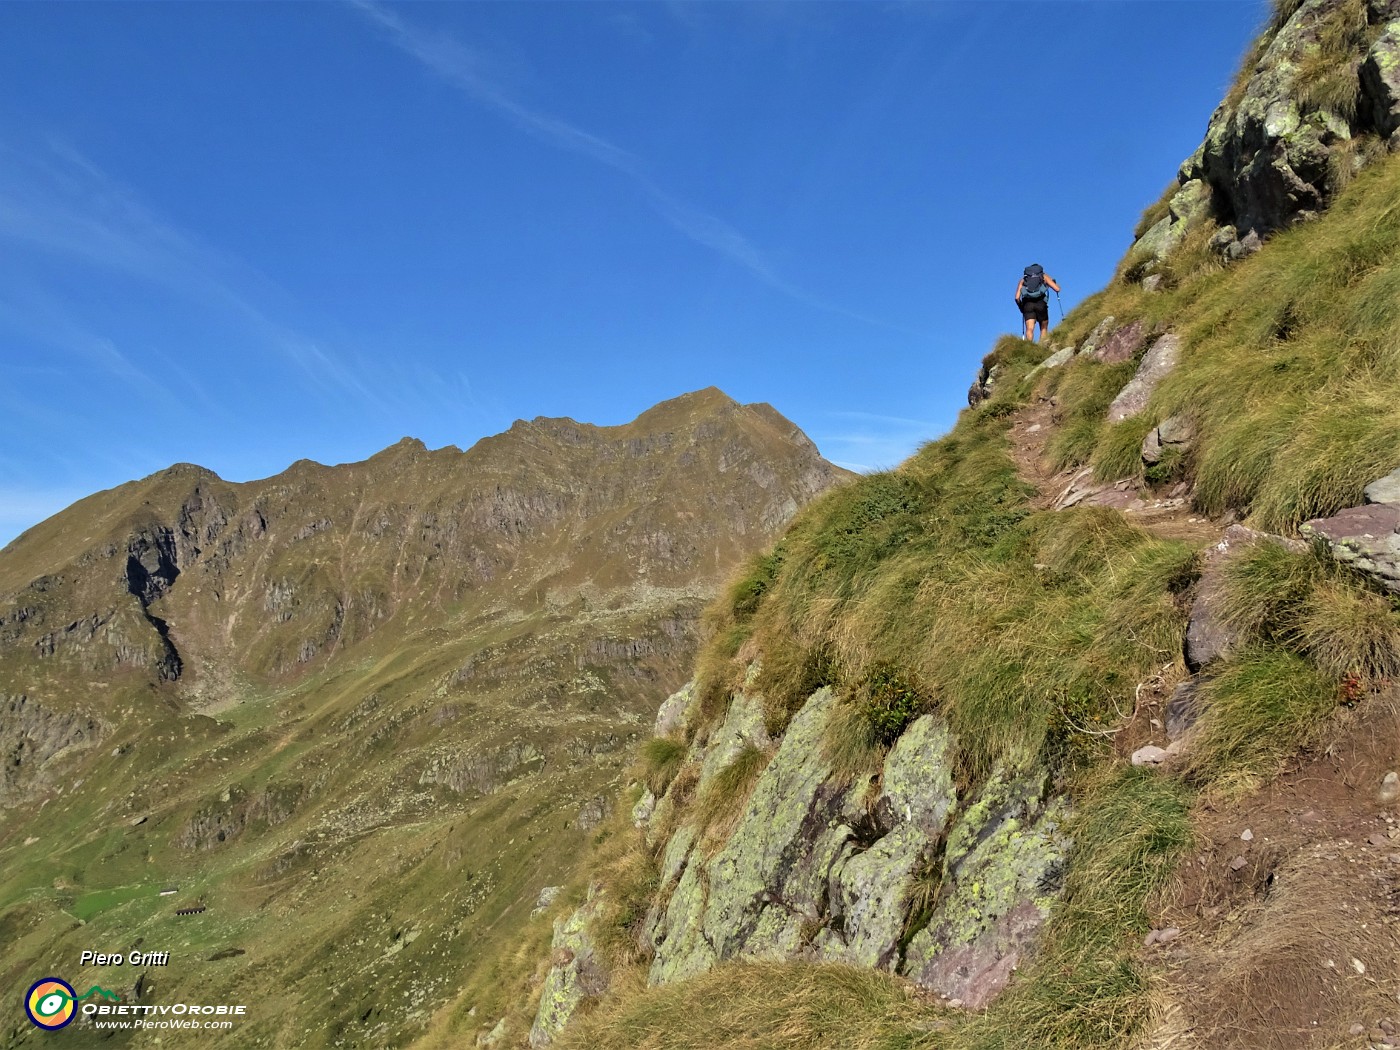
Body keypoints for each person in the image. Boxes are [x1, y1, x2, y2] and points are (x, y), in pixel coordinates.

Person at [1015, 264, 1061, 343]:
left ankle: (1028, 346)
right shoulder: (1043, 276)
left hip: (1027, 305)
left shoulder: (1023, 280)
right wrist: (1053, 283)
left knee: (1029, 329)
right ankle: (1042, 346)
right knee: (1043, 327)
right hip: (1040, 303)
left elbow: (1016, 297)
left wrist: (1021, 307)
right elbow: (1057, 289)